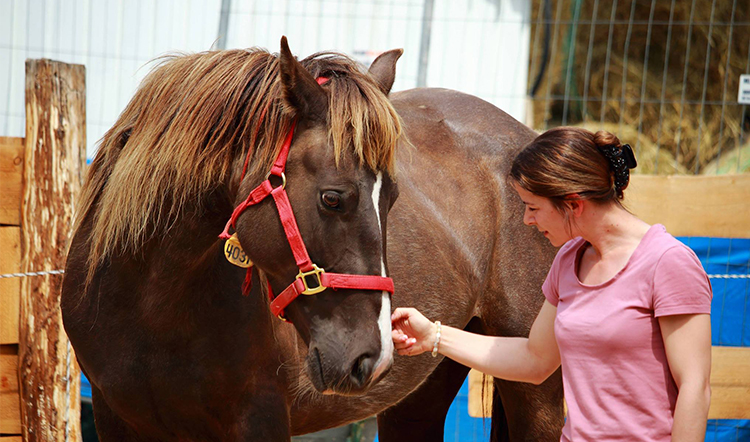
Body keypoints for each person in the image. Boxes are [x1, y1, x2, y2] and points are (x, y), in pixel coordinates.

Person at [391, 127, 712, 442]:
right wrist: (434, 335)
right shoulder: (570, 259)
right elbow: (535, 360)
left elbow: (694, 388)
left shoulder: (668, 262)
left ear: (573, 203)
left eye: (533, 208)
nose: (527, 220)